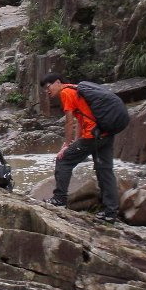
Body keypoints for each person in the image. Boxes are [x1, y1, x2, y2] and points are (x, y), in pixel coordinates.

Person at [39, 73, 120, 224]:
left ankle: (59, 199)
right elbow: (81, 120)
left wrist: (66, 145)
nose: (47, 91)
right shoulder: (76, 90)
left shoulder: (66, 92)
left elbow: (69, 122)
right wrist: (75, 143)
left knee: (63, 160)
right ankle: (110, 212)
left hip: (93, 135)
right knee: (105, 171)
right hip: (105, 133)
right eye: (44, 89)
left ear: (57, 82)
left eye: (48, 87)